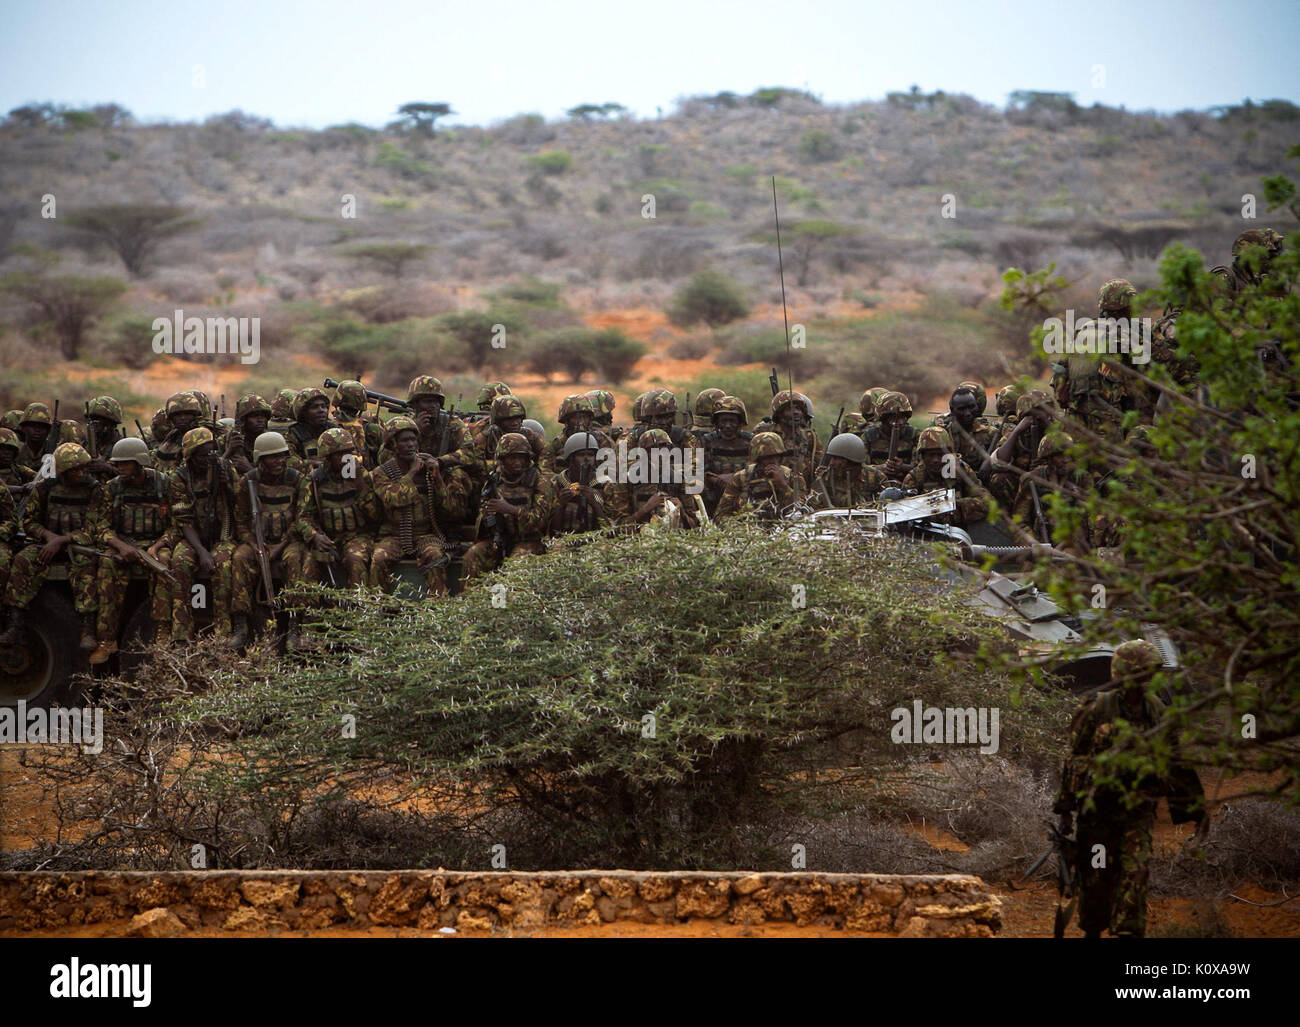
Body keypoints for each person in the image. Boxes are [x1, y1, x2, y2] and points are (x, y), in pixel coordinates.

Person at [1054, 639, 1208, 939]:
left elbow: (1173, 758)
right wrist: (1065, 808)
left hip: (1138, 810)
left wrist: (1195, 808)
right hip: (1097, 811)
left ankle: (1128, 931)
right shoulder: (1097, 706)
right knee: (1096, 877)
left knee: (1136, 873)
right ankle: (1093, 930)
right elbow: (1075, 757)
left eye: (1148, 672)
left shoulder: (1155, 708)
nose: (1145, 678)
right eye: (1140, 672)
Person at [0, 443, 103, 651]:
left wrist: (61, 541)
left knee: (87, 568)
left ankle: (88, 627)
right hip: (47, 542)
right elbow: (29, 522)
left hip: (77, 545)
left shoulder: (94, 489)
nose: (82, 473)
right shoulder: (45, 488)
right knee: (22, 561)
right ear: (64, 470)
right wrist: (49, 537)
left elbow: (95, 526)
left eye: (84, 468)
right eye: (76, 469)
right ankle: (15, 622)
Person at [88, 437, 172, 664]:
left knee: (164, 565)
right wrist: (120, 546)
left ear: (140, 462)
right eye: (118, 463)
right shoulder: (111, 488)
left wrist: (157, 546)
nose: (120, 467)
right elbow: (100, 527)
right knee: (107, 566)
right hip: (124, 544)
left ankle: (162, 629)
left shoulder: (162, 484)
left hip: (154, 544)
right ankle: (107, 639)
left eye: (126, 463)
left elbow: (176, 524)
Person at [369, 416, 469, 599]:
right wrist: (412, 472)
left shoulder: (429, 470)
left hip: (425, 534)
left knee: (435, 556)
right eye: (404, 440)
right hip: (394, 535)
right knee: (378, 559)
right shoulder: (381, 473)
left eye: (413, 439)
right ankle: (378, 609)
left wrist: (437, 477)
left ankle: (438, 607)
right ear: (393, 444)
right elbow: (394, 499)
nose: (410, 445)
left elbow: (450, 509)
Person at [230, 431, 311, 648]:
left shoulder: (297, 480)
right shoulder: (247, 482)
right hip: (258, 541)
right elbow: (240, 521)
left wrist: (279, 546)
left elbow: (302, 518)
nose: (279, 461)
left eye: (282, 456)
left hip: (288, 541)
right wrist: (255, 545)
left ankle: (296, 625)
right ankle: (241, 625)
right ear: (260, 459)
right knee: (239, 559)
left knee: (296, 559)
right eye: (273, 457)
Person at [166, 427, 238, 642]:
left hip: (222, 535)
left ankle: (223, 633)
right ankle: (180, 633)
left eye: (211, 453)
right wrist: (201, 552)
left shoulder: (225, 468)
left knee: (223, 565)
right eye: (202, 455)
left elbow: (239, 506)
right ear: (190, 456)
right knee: (179, 562)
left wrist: (226, 484)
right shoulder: (179, 477)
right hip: (193, 536)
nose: (208, 459)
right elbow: (184, 519)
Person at [462, 432, 554, 581]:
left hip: (529, 541)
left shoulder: (538, 480)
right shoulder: (494, 481)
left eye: (521, 457)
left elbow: (540, 522)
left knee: (517, 564)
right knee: (472, 556)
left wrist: (509, 509)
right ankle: (469, 600)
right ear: (502, 459)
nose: (517, 462)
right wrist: (487, 516)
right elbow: (481, 521)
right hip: (500, 538)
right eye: (512, 457)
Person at [298, 427, 380, 591]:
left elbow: (375, 515)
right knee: (308, 564)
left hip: (357, 536)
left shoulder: (360, 475)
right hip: (327, 538)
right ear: (327, 457)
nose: (345, 459)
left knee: (355, 560)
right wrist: (315, 537)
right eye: (339, 454)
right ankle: (309, 613)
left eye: (348, 453)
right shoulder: (314, 480)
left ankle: (360, 610)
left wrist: (359, 484)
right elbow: (302, 517)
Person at [900, 427, 990, 528]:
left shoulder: (961, 471)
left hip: (958, 531)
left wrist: (955, 505)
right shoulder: (915, 477)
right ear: (923, 456)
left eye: (940, 455)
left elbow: (986, 502)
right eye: (930, 455)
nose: (936, 460)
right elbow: (903, 512)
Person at [715, 432, 807, 519]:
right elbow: (721, 514)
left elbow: (804, 511)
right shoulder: (741, 478)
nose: (773, 461)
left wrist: (784, 486)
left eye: (777, 456)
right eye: (767, 457)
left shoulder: (793, 477)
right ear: (757, 459)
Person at [548, 432, 610, 536]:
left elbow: (610, 529)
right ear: (571, 458)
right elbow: (550, 531)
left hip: (597, 542)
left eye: (590, 454)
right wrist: (561, 504)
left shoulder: (604, 483)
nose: (587, 459)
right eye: (581, 455)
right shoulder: (557, 483)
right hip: (564, 541)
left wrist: (594, 503)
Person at [701, 396, 753, 518]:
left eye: (732, 421)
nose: (727, 426)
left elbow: (759, 468)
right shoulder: (706, 442)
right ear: (716, 422)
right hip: (714, 495)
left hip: (744, 494)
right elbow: (696, 472)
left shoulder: (751, 441)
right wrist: (716, 479)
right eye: (723, 421)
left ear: (740, 422)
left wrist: (736, 479)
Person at [810, 431, 885, 508]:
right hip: (835, 518)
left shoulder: (875, 477)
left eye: (836, 458)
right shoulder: (827, 477)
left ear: (849, 460)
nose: (831, 462)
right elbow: (814, 504)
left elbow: (887, 505)